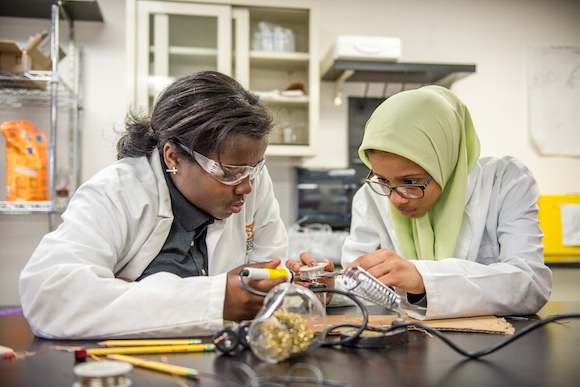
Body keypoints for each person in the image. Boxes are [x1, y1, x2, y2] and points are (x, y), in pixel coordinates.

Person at [19, 71, 289, 339]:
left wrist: (300, 284)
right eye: (229, 172)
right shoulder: (117, 192)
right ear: (173, 157)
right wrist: (215, 300)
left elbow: (266, 276)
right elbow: (51, 297)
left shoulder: (250, 178)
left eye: (254, 168)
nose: (246, 186)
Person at [288, 85, 552, 320]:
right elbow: (365, 285)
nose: (394, 197)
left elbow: (530, 284)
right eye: (382, 179)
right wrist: (331, 288)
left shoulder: (505, 182)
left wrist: (422, 277)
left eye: (411, 181)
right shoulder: (371, 197)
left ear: (445, 161)